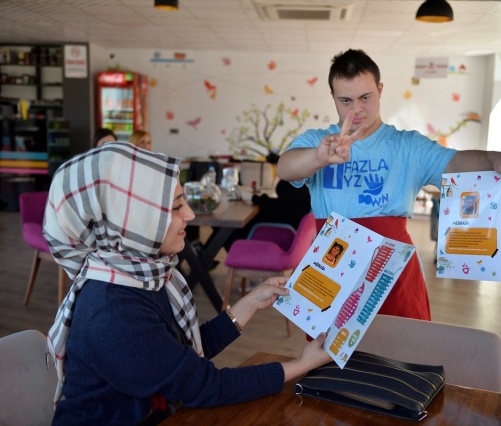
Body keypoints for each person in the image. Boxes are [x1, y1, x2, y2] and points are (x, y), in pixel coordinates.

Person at [43, 142, 331, 425]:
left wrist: (250, 303)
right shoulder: (112, 310)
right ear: (135, 223)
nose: (190, 215)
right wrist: (302, 364)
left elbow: (178, 355)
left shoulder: (143, 275)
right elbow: (204, 386)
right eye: (177, 206)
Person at [277, 48, 501, 321]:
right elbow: (285, 168)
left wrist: (493, 158)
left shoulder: (407, 146)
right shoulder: (318, 141)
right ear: (332, 96)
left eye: (365, 97)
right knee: (328, 347)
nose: (357, 109)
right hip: (331, 266)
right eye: (345, 100)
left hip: (393, 268)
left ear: (380, 90)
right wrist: (319, 156)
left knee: (403, 344)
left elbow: (455, 162)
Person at [222, 153, 311, 252]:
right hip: (283, 222)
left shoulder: (300, 184)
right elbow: (283, 203)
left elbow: (277, 208)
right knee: (225, 228)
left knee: (227, 228)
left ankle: (235, 255)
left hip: (280, 229)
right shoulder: (302, 179)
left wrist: (253, 197)